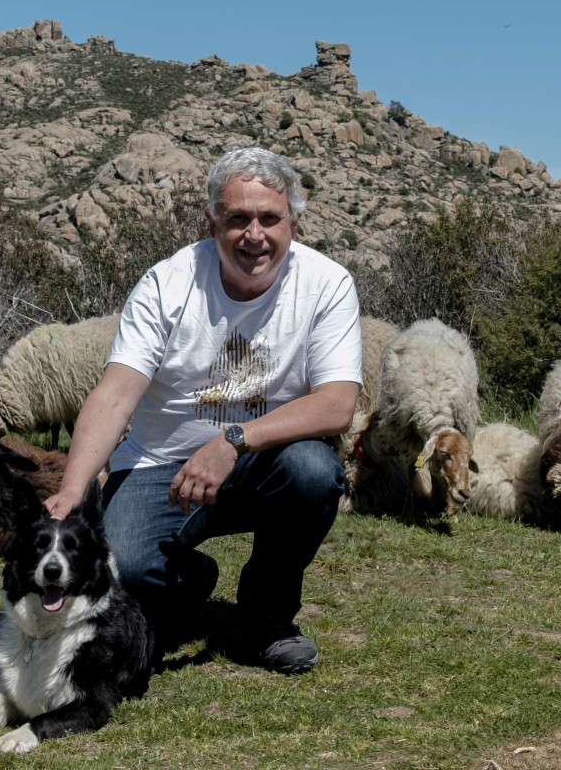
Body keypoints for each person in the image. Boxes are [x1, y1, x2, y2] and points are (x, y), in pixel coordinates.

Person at [44, 146, 361, 674]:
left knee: (313, 469)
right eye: (237, 219)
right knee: (123, 566)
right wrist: (74, 490)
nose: (254, 234)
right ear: (210, 221)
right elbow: (115, 394)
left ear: (295, 223)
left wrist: (232, 441)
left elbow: (337, 405)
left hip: (262, 464)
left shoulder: (327, 284)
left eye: (269, 218)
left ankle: (267, 617)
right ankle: (191, 581)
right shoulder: (167, 284)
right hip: (158, 466)